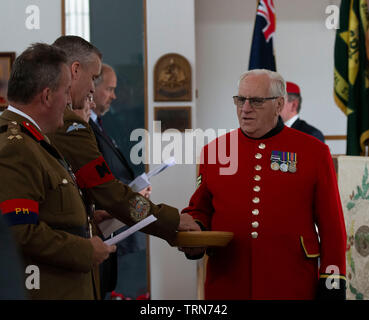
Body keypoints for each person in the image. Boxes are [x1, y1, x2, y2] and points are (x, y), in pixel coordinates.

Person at [47, 36, 199, 294]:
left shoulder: (57, 120)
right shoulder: (69, 124)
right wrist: (172, 221)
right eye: (94, 78)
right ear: (75, 70)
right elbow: (111, 193)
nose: (94, 90)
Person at [181, 69, 346, 300]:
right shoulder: (215, 152)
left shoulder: (314, 151)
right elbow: (200, 209)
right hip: (228, 281)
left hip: (291, 282)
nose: (245, 108)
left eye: (256, 101)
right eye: (240, 100)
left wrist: (332, 281)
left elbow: (332, 225)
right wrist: (195, 231)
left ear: (279, 104)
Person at [0, 43, 116, 299]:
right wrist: (86, 250)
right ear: (48, 96)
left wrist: (84, 218)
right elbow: (19, 231)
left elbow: (47, 209)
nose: (69, 101)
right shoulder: (16, 147)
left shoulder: (37, 140)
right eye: (66, 92)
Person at [91, 64, 150, 298]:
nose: (114, 95)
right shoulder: (83, 127)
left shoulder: (100, 124)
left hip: (117, 223)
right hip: (104, 225)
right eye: (110, 89)